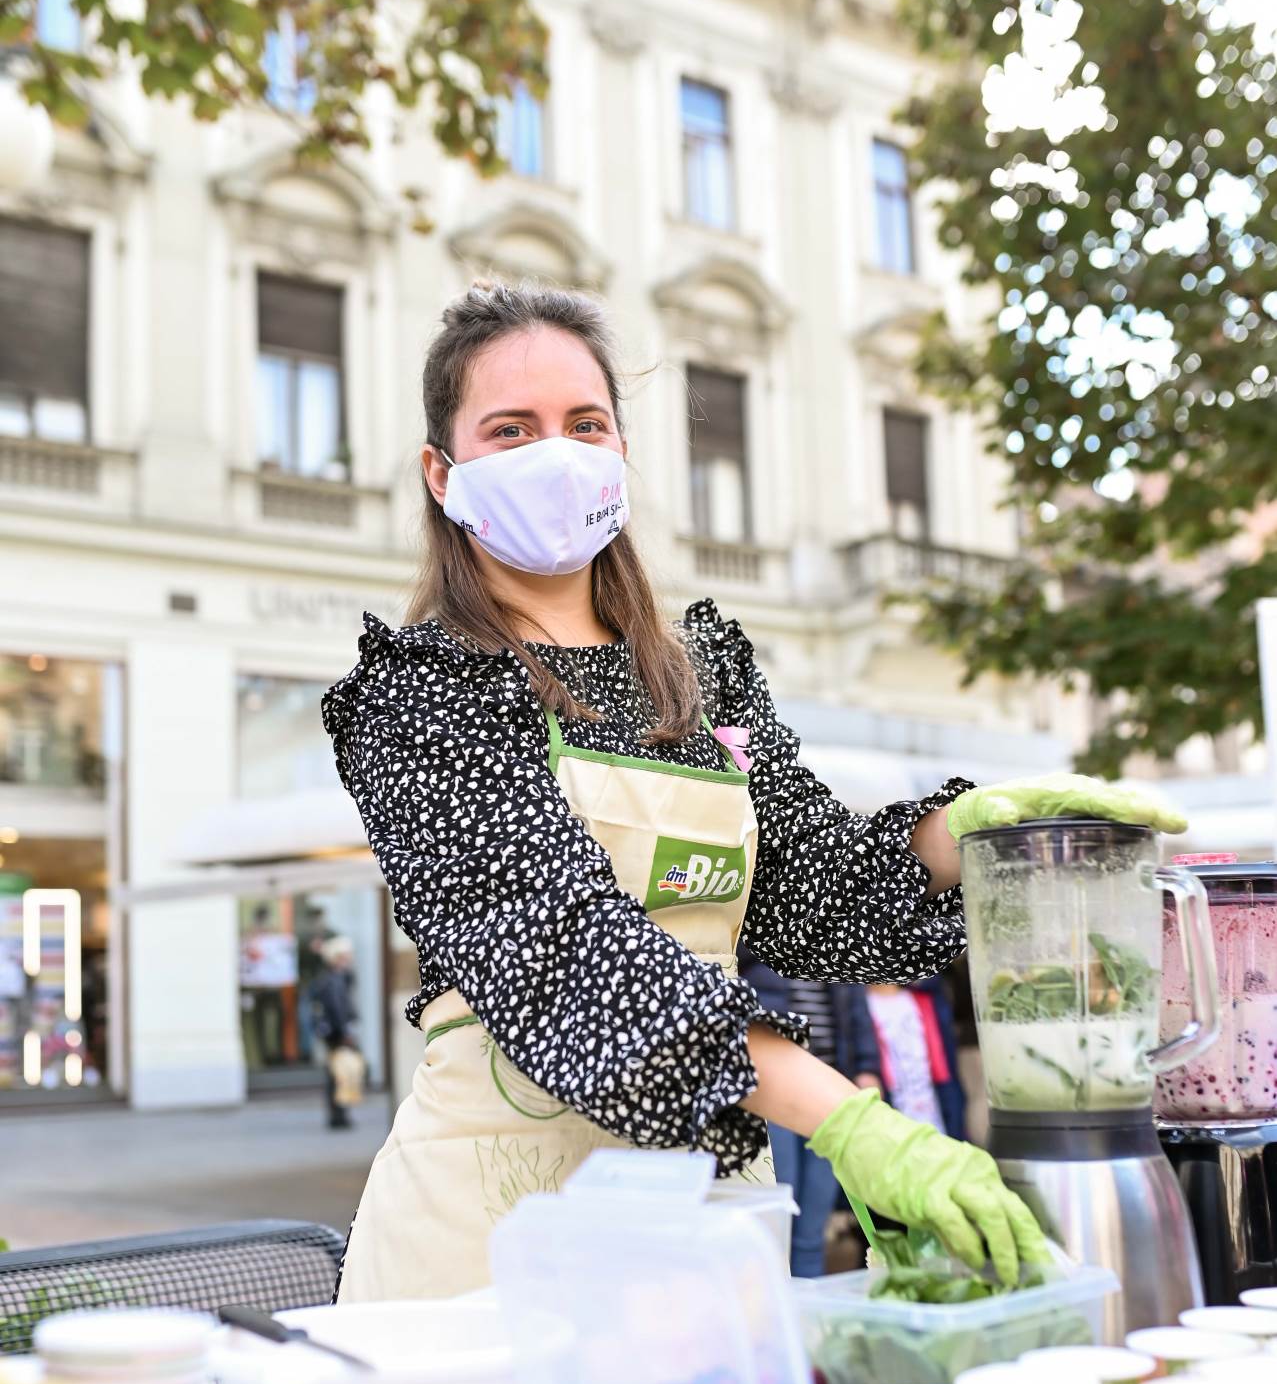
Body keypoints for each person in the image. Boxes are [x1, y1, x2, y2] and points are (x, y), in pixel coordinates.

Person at [322, 279, 1183, 1303]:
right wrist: (851, 1122)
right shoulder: (422, 692)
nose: (555, 453)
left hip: (705, 1209)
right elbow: (566, 955)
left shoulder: (698, 674)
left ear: (621, 453)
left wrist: (973, 833)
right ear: (441, 471)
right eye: (509, 432)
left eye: (583, 424)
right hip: (489, 1244)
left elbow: (812, 889)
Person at [739, 949, 882, 1277]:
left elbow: (856, 1010)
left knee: (813, 1228)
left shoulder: (833, 933)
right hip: (771, 1087)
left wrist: (867, 1067)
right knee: (775, 1223)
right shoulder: (757, 928)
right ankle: (772, 1318)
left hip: (831, 1087)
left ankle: (807, 1320)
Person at [865, 975, 968, 1143]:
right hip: (894, 1120)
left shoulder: (923, 1000)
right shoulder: (860, 1008)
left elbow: (943, 1065)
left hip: (936, 1114)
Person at [311, 936, 359, 1129]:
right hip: (337, 1034)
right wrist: (345, 1031)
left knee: (337, 1073)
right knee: (339, 1073)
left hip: (333, 1033)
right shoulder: (334, 980)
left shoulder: (334, 978)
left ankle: (338, 1113)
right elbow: (338, 1008)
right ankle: (338, 1114)